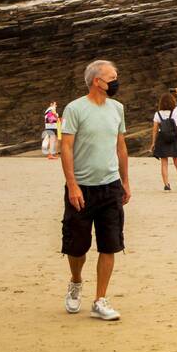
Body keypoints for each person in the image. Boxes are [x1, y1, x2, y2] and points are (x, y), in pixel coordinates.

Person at [59, 59, 130, 321]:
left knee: (110, 244)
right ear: (97, 81)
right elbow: (65, 147)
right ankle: (76, 282)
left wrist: (125, 181)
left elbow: (120, 146)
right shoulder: (75, 108)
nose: (116, 81)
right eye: (113, 77)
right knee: (76, 247)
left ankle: (100, 299)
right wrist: (72, 185)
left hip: (110, 186)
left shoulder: (118, 108)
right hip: (82, 189)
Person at [148, 87, 177, 191]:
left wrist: (153, 143)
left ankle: (166, 185)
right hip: (173, 138)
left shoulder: (157, 114)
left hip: (162, 139)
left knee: (164, 162)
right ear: (172, 101)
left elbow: (154, 130)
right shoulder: (175, 111)